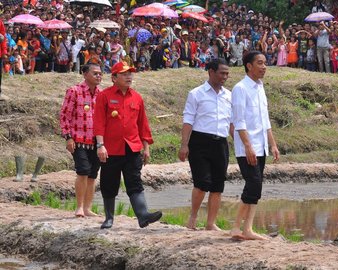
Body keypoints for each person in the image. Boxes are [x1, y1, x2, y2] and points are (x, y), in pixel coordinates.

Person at [93, 61, 162, 229]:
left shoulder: (137, 97)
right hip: (111, 148)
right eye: (124, 74)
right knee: (109, 183)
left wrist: (146, 148)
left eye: (130, 73)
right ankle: (109, 218)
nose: (129, 76)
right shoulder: (105, 96)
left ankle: (143, 216)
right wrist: (100, 145)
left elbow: (143, 125)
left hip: (132, 148)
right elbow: (99, 123)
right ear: (114, 77)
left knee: (134, 181)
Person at [230, 51, 280, 240]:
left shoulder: (260, 87)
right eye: (260, 63)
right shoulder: (240, 88)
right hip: (247, 147)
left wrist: (273, 145)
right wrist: (248, 146)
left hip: (261, 146)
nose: (264, 66)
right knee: (253, 183)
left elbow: (265, 120)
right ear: (249, 66)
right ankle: (236, 227)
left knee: (256, 187)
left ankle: (247, 229)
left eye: (265, 63)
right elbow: (239, 121)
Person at [178, 58, 232, 230]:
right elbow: (188, 120)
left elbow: (232, 122)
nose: (225, 76)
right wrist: (184, 145)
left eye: (227, 73)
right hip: (200, 142)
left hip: (221, 143)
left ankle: (211, 223)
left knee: (218, 185)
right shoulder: (196, 93)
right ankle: (192, 218)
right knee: (201, 183)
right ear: (211, 72)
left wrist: (242, 143)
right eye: (222, 73)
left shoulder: (229, 96)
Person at [59, 64, 103, 217]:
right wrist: (68, 137)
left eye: (100, 73)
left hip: (96, 141)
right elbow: (65, 115)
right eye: (95, 73)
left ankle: (87, 208)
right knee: (83, 171)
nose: (98, 76)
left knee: (92, 175)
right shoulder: (74, 91)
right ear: (85, 74)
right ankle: (78, 207)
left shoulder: (101, 94)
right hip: (78, 140)